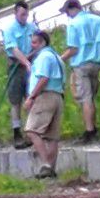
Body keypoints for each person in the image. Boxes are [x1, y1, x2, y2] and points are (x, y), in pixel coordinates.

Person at [58, 0, 100, 138]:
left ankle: (90, 131)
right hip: (97, 64)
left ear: (71, 9)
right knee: (91, 97)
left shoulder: (73, 24)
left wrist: (58, 59)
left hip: (81, 65)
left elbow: (73, 49)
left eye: (67, 12)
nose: (67, 16)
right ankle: (93, 127)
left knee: (85, 98)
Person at [21, 30, 69, 177]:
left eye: (35, 42)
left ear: (43, 42)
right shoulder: (57, 58)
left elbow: (43, 79)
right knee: (51, 136)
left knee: (31, 130)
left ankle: (47, 164)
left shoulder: (44, 57)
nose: (32, 45)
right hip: (58, 96)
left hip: (45, 96)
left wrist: (31, 97)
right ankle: (51, 170)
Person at [0, 0, 39, 145]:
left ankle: (31, 133)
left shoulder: (32, 28)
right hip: (16, 66)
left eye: (26, 15)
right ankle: (17, 133)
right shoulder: (9, 30)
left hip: (30, 65)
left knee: (30, 97)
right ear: (15, 13)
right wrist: (25, 62)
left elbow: (38, 44)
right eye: (22, 14)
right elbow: (13, 49)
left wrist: (31, 59)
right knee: (15, 100)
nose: (24, 18)